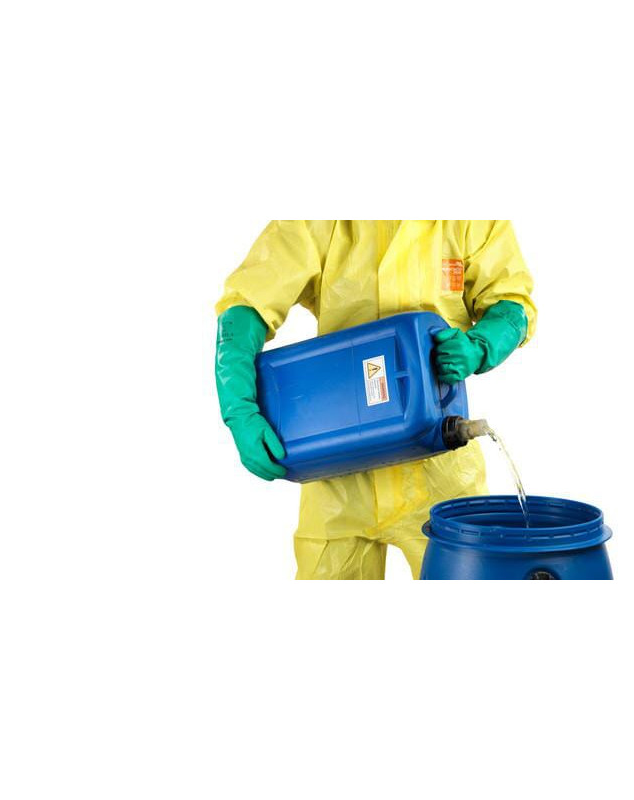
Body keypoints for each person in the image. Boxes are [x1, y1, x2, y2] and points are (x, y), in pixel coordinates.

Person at [215, 221, 536, 579]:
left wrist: (481, 344)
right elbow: (247, 304)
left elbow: (512, 304)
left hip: (441, 470)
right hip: (339, 476)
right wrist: (238, 408)